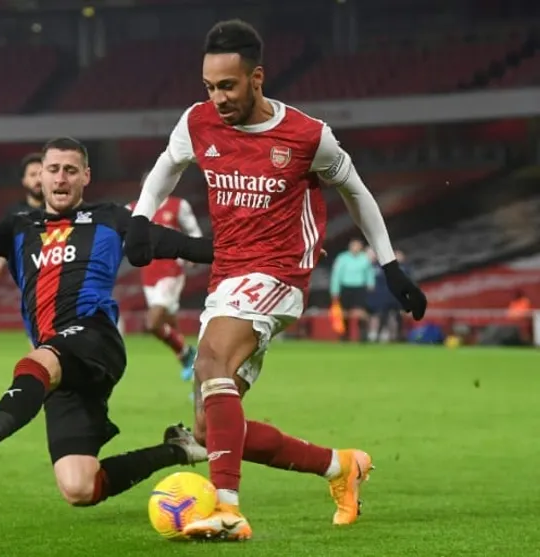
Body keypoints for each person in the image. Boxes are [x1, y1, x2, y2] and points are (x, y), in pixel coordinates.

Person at [124, 19, 427, 540]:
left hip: (279, 274)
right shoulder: (197, 122)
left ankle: (227, 509)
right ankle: (341, 467)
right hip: (227, 276)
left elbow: (356, 192)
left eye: (228, 86)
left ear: (257, 78)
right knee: (212, 428)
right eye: (209, 87)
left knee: (210, 361)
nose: (217, 98)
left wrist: (390, 265)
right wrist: (139, 219)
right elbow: (166, 166)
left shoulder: (307, 136)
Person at [0, 135, 213, 508]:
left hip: (95, 338)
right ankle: (177, 449)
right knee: (80, 488)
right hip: (59, 364)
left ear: (86, 176)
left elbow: (182, 245)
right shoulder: (18, 227)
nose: (61, 178)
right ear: (41, 177)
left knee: (38, 360)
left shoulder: (111, 218)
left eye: (70, 170)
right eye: (53, 170)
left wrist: (250, 250)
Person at [126, 180, 203, 380]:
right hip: (148, 274)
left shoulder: (178, 205)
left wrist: (192, 254)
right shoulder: (133, 209)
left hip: (171, 272)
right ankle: (192, 363)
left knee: (152, 322)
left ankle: (187, 354)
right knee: (168, 321)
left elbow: (194, 232)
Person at [0, 153, 44, 280]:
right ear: (24, 180)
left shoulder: (58, 209)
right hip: (28, 277)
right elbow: (4, 241)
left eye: (41, 174)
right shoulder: (14, 212)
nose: (38, 180)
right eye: (32, 175)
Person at [330, 238, 375, 342]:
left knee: (361, 312)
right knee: (345, 312)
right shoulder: (342, 258)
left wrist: (371, 283)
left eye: (358, 245)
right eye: (354, 245)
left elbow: (369, 272)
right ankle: (345, 334)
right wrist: (334, 290)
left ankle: (363, 335)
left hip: (360, 287)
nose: (355, 248)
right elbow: (336, 275)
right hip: (346, 287)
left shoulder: (365, 258)